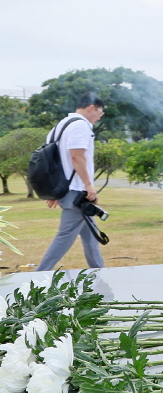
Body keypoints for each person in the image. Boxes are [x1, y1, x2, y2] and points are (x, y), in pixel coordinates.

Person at [36, 93, 106, 272]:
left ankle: (99, 271)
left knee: (90, 233)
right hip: (76, 191)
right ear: (92, 108)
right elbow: (76, 155)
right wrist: (89, 186)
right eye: (100, 112)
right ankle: (38, 275)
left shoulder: (59, 127)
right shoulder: (80, 126)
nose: (100, 117)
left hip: (67, 190)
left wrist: (55, 191)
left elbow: (52, 161)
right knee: (65, 236)